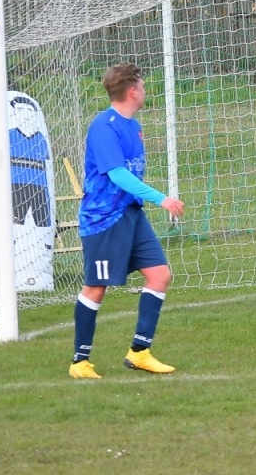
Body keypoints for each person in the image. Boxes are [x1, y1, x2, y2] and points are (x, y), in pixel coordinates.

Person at [68, 64, 187, 379]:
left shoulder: (132, 126)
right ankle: (80, 362)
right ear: (132, 91)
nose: (145, 91)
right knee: (96, 288)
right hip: (104, 219)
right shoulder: (104, 126)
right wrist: (162, 198)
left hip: (131, 214)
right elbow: (118, 174)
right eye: (143, 86)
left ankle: (139, 352)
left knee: (160, 275)